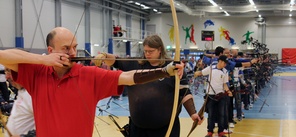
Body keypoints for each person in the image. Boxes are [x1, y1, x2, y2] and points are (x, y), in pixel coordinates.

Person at [0, 27, 184, 137]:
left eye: (75, 47)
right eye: (66, 48)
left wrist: (165, 70)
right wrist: (43, 60)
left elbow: (128, 77)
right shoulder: (37, 73)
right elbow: (3, 56)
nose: (73, 53)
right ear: (50, 50)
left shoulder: (89, 74)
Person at [94, 35, 203, 137]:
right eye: (145, 51)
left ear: (160, 50)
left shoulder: (174, 67)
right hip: (138, 129)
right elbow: (115, 61)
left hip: (166, 129)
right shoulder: (135, 64)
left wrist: (193, 113)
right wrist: (105, 56)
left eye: (151, 51)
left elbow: (184, 92)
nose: (147, 54)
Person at [194, 55, 232, 137]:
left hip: (221, 95)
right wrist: (196, 73)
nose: (225, 65)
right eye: (224, 63)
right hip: (210, 95)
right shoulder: (211, 68)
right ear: (220, 61)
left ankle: (220, 132)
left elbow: (224, 84)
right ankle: (210, 131)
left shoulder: (225, 71)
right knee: (211, 114)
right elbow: (202, 73)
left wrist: (228, 91)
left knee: (221, 114)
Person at [4, 68, 35, 137]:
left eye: (9, 71)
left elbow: (48, 126)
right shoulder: (21, 91)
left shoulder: (32, 95)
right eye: (5, 72)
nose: (7, 77)